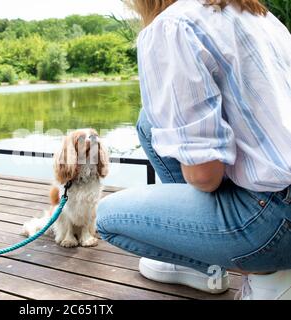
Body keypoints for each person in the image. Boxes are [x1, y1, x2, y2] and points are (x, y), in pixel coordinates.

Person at [96, 0, 291, 300]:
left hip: (275, 221)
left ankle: (268, 274)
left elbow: (205, 176)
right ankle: (207, 260)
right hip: (282, 195)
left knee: (107, 218)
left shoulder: (171, 25)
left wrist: (199, 156)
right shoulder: (257, 12)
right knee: (149, 123)